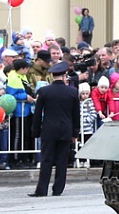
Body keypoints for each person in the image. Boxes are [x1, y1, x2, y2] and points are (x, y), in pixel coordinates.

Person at [28, 61, 80, 197]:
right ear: (64, 76)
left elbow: (38, 113)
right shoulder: (72, 92)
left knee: (46, 160)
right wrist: (75, 132)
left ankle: (42, 189)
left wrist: (35, 131)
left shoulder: (44, 91)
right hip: (66, 130)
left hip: (48, 130)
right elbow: (76, 114)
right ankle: (58, 189)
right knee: (62, 160)